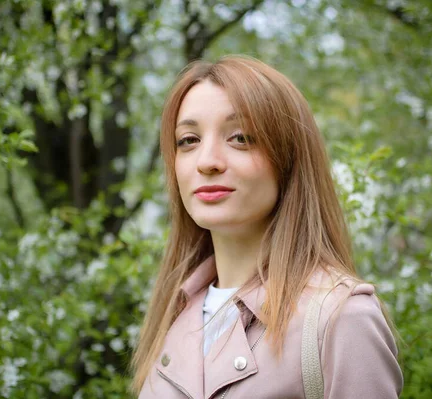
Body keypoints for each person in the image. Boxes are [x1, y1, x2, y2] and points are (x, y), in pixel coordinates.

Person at [131, 55, 403, 398]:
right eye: (188, 140)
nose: (207, 161)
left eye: (240, 137)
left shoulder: (341, 319)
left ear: (288, 159)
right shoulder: (172, 314)